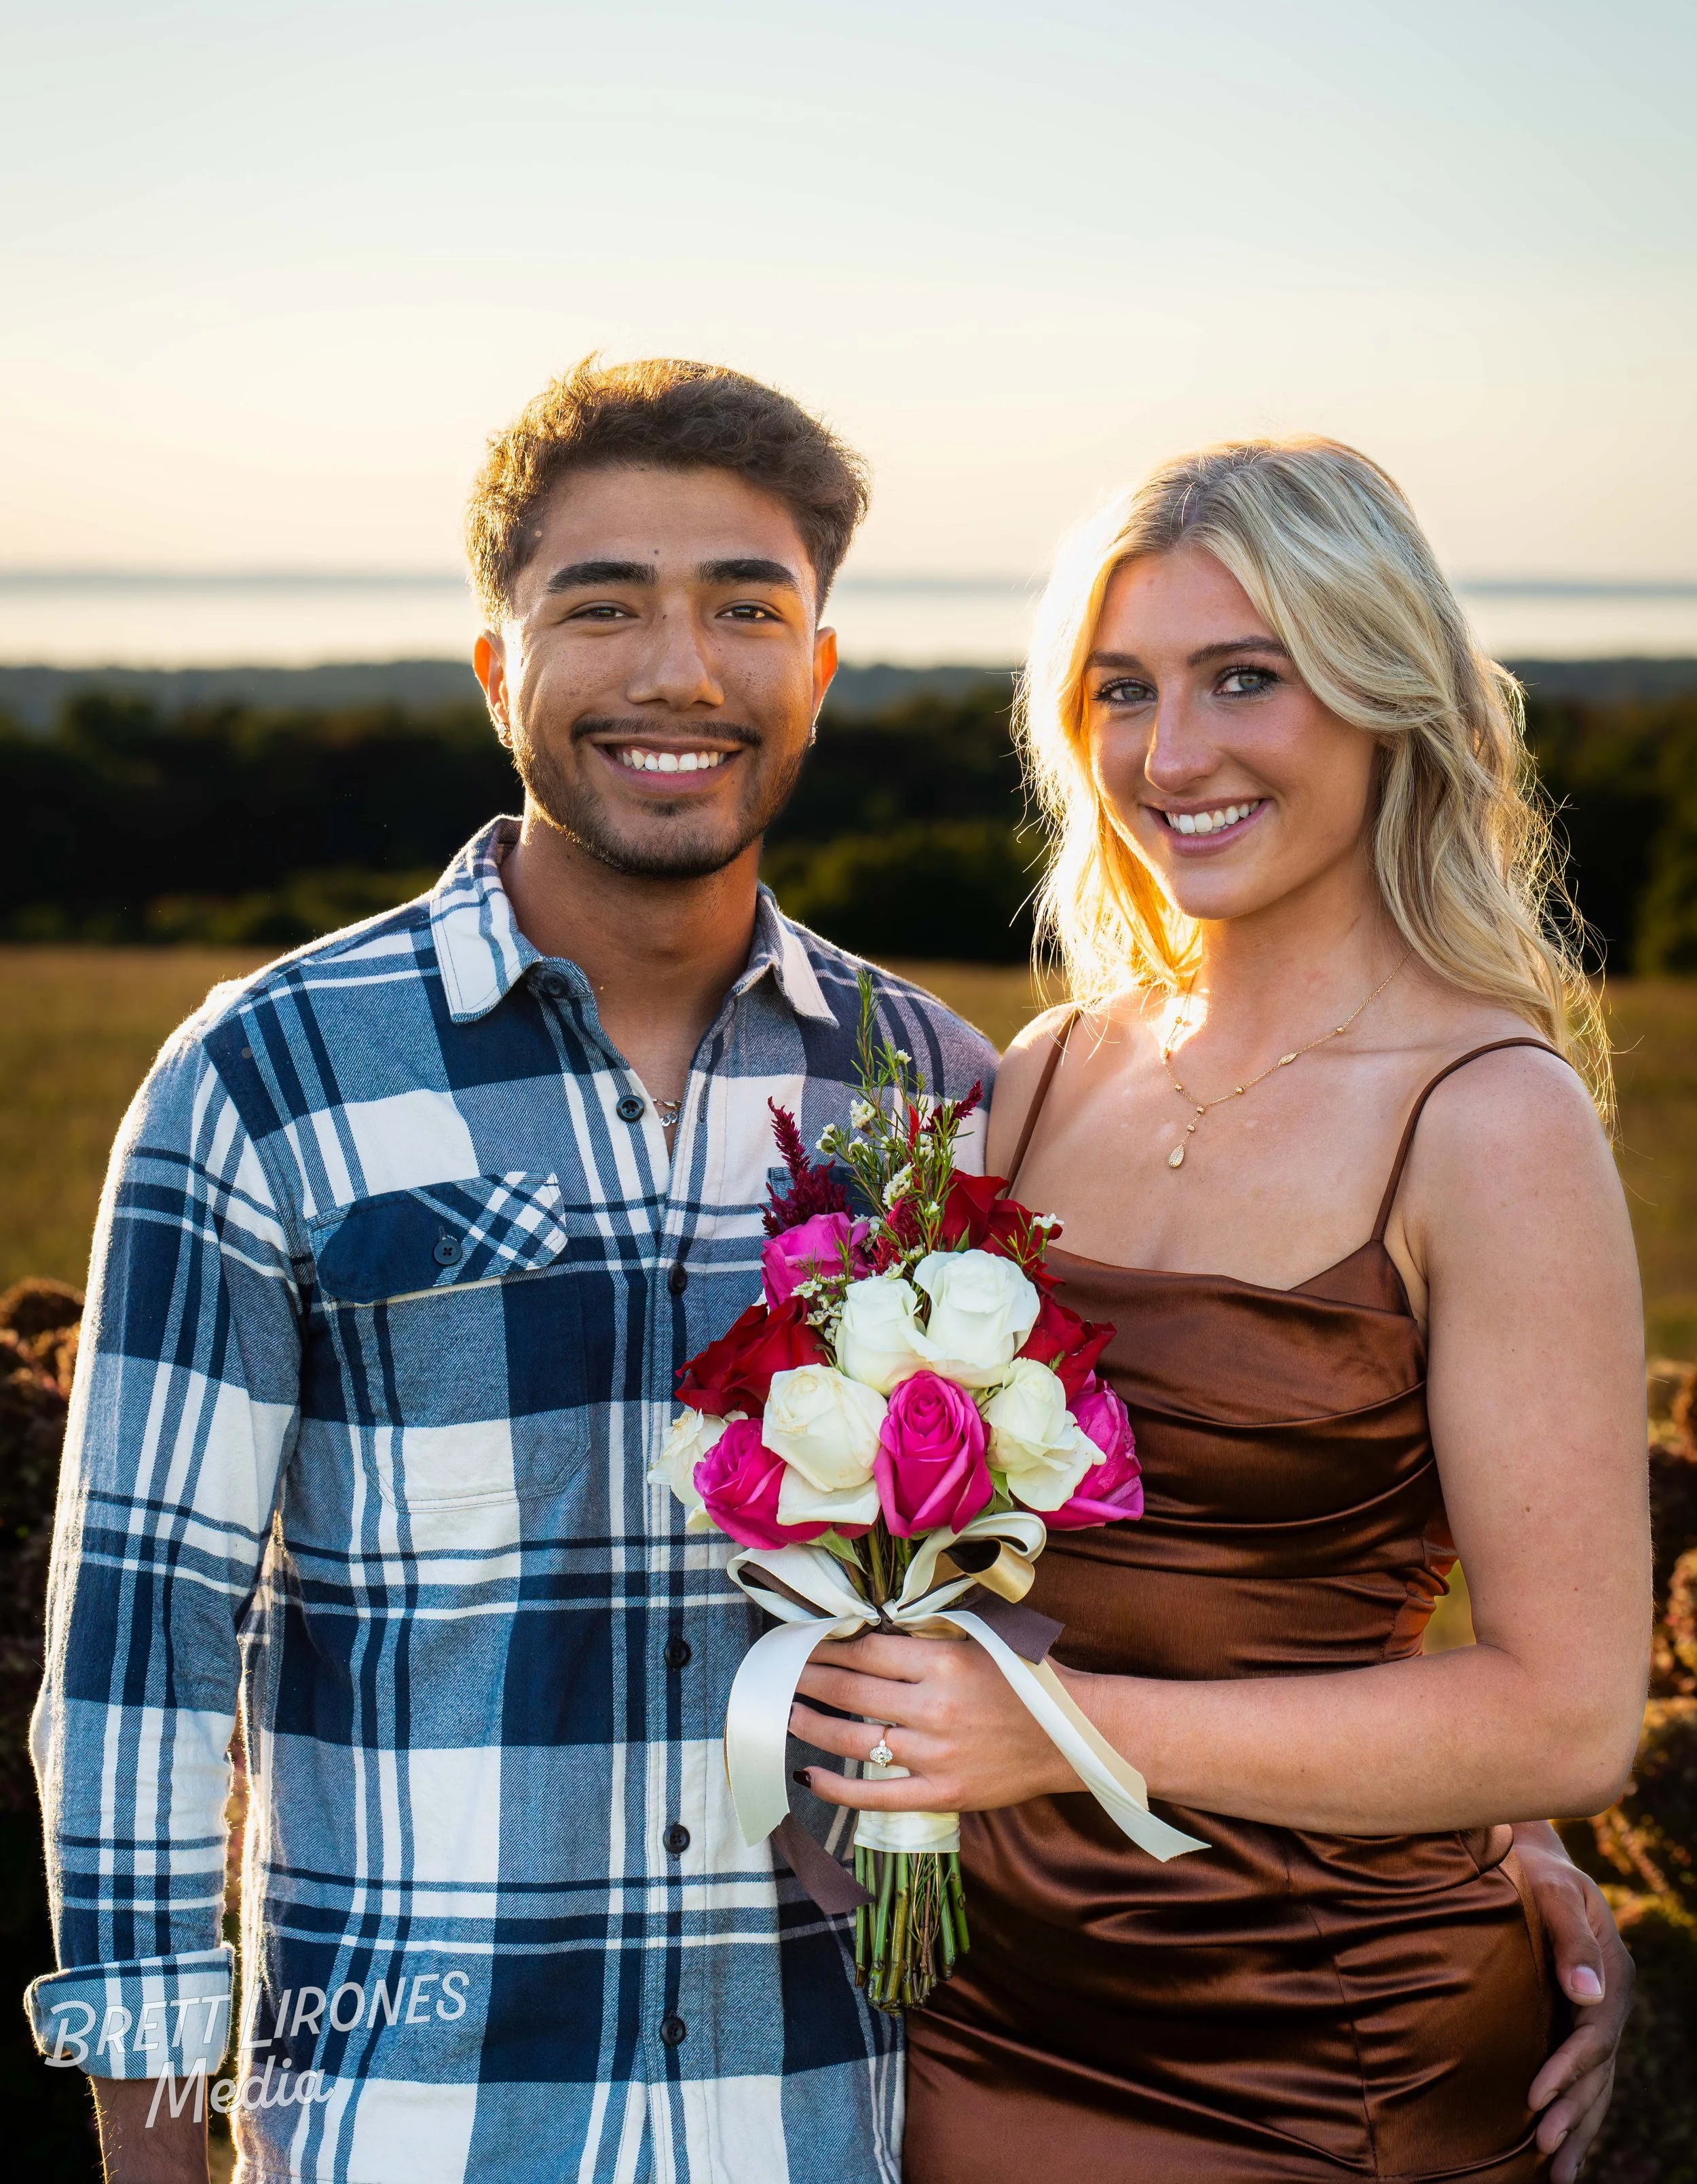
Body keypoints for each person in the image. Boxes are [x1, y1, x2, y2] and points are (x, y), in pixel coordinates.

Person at [25, 356, 993, 2183]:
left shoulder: (932, 1091)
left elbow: (1098, 1600)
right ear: (497, 668)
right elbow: (137, 1659)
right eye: (600, 602)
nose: (677, 670)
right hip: (412, 2128)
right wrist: (152, 2152)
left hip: (825, 2123)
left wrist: (1489, 1840)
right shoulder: (268, 1074)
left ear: (819, 670)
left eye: (744, 606)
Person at [790, 439, 1648, 2183]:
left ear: (1382, 694)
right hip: (979, 2016)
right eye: (1122, 691)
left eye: (1242, 678)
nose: (1170, 757)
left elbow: (1564, 1715)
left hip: (1310, 2046)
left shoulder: (1483, 1118)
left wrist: (1050, 1738)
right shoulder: (1041, 1079)